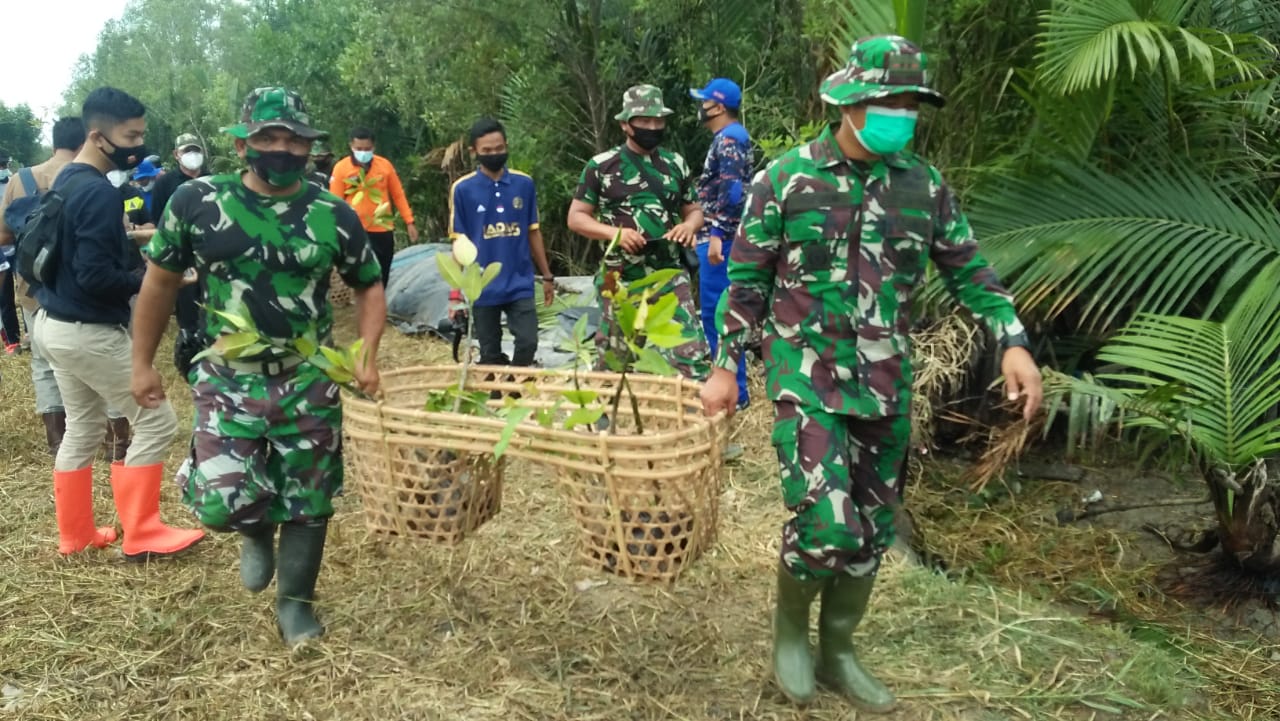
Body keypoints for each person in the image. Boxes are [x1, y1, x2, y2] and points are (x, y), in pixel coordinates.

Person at [700, 36, 1044, 711]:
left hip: (885, 382)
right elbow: (744, 283)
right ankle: (791, 637)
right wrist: (723, 368)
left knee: (871, 528)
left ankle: (840, 648)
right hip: (806, 378)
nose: (903, 114)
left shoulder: (923, 186)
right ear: (850, 101)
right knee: (825, 526)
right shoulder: (786, 179)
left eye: (911, 103)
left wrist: (1013, 341)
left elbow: (971, 270)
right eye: (890, 100)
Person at [131, 87, 386, 646]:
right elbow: (159, 283)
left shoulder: (332, 213)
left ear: (308, 145)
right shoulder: (197, 202)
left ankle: (296, 606)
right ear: (244, 142)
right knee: (222, 505)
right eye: (269, 137)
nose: (283, 149)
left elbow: (369, 286)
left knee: (310, 499)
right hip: (228, 376)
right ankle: (252, 528)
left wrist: (365, 353)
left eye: (294, 139)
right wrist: (141, 362)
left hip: (309, 376)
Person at [29, 87, 205, 558]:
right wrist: (151, 278)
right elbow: (95, 277)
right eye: (131, 135)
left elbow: (74, 259)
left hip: (51, 324)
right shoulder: (98, 194)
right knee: (156, 419)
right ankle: (143, 532)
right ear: (98, 136)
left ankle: (77, 535)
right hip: (84, 328)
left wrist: (133, 247)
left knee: (84, 427)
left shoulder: (67, 180)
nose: (138, 144)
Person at [566, 85, 710, 381]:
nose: (653, 127)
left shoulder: (675, 164)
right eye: (644, 121)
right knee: (615, 362)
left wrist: (688, 226)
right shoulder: (601, 166)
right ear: (625, 124)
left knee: (692, 355)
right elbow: (576, 217)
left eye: (658, 121)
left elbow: (694, 210)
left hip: (669, 273)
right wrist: (614, 234)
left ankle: (701, 420)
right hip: (620, 278)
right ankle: (605, 419)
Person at [0, 118, 85, 448]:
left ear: (54, 144)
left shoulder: (19, 180)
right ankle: (111, 440)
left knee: (44, 362)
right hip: (85, 288)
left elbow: (4, 235)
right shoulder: (91, 178)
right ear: (84, 144)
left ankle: (56, 439)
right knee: (97, 361)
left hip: (34, 289)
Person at [448, 118, 553, 367]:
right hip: (481, 284)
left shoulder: (523, 184)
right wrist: (455, 294)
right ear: (474, 152)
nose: (494, 154)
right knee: (489, 351)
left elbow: (533, 232)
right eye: (486, 151)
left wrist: (547, 275)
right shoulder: (462, 189)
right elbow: (458, 242)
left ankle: (515, 385)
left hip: (519, 280)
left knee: (528, 341)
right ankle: (497, 394)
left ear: (506, 145)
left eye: (498, 149)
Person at [690, 77, 753, 410]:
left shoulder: (729, 139)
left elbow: (731, 192)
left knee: (719, 314)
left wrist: (717, 234)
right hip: (722, 235)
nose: (700, 108)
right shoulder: (730, 138)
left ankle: (734, 393)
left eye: (704, 102)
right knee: (721, 312)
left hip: (722, 240)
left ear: (717, 106)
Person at [151, 133, 212, 377]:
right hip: (182, 256)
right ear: (176, 154)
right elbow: (158, 220)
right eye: (186, 150)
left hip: (210, 254)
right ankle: (192, 360)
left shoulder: (213, 179)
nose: (192, 155)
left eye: (195, 150)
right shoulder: (165, 185)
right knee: (187, 308)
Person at [329, 127, 419, 287]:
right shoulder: (342, 168)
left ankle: (379, 306)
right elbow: (335, 202)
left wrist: (409, 221)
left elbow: (398, 194)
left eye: (367, 149)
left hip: (382, 228)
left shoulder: (384, 166)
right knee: (361, 273)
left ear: (374, 147)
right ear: (351, 146)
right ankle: (364, 307)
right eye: (359, 149)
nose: (363, 152)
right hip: (355, 229)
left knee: (382, 273)